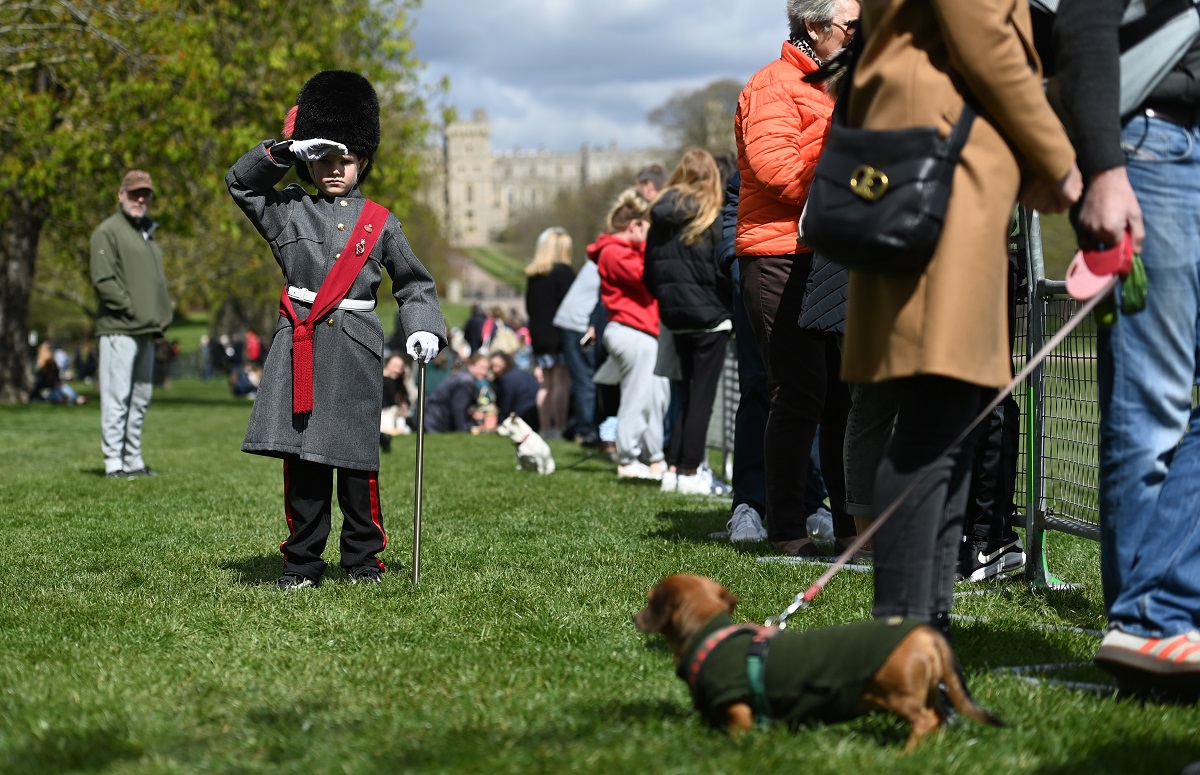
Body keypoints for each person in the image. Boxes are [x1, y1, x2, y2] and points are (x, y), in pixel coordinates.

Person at [840, 2, 1080, 637]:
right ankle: (906, 649)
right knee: (936, 421)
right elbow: (986, 40)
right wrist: (1058, 157)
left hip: (933, 168)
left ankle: (922, 646)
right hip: (939, 175)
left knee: (949, 420)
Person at [225, 69, 446, 590]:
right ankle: (301, 563)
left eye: (344, 158)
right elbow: (240, 182)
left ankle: (363, 561)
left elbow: (415, 284)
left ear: (362, 161)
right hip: (300, 344)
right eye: (323, 157)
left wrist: (424, 327)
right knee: (303, 467)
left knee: (355, 467)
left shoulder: (380, 221)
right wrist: (286, 150)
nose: (332, 168)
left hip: (354, 347)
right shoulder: (288, 209)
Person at [1051, 0, 1200, 693]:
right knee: (1152, 407)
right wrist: (1105, 170)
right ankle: (1148, 627)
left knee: (1155, 408)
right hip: (1156, 149)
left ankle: (1150, 618)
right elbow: (1084, 23)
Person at [733, 0, 859, 555]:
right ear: (814, 26)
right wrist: (853, 166)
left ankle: (853, 526)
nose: (860, 35)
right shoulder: (772, 86)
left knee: (841, 399)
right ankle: (786, 528)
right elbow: (777, 171)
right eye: (851, 26)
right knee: (798, 393)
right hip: (778, 255)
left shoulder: (848, 85)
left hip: (831, 255)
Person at [643, 149, 732, 496]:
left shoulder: (660, 219)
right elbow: (722, 269)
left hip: (675, 316)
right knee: (702, 397)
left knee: (684, 393)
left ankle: (675, 468)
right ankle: (691, 470)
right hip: (710, 316)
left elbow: (649, 273)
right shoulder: (711, 215)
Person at [90, 168, 173, 479]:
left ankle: (133, 460)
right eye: (134, 192)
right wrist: (132, 309)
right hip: (118, 329)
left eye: (145, 194)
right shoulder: (107, 231)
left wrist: (159, 317)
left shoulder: (148, 235)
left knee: (139, 398)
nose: (140, 199)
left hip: (146, 330)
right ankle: (114, 463)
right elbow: (103, 281)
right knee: (117, 398)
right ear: (120, 195)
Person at [590, 188, 669, 480]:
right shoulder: (612, 251)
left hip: (643, 332)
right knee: (637, 396)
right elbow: (646, 275)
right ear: (634, 226)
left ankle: (656, 458)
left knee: (655, 397)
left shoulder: (623, 250)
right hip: (630, 331)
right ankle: (628, 457)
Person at [523, 226, 576, 439]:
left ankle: (545, 428)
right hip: (559, 336)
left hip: (539, 335)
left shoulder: (534, 275)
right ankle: (560, 426)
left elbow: (529, 307)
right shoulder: (565, 273)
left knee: (544, 385)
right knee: (560, 383)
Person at [552, 240, 603, 445]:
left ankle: (582, 426)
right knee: (586, 381)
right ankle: (585, 430)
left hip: (572, 323)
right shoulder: (606, 261)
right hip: (579, 325)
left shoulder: (595, 261)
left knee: (584, 381)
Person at [422, 353, 492, 433]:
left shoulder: (462, 375)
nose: (484, 372)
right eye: (482, 367)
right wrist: (462, 430)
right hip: (436, 420)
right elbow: (458, 408)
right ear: (471, 365)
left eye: (487, 369)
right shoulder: (466, 382)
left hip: (432, 416)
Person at [489, 351, 540, 431]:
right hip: (537, 411)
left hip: (524, 416)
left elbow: (506, 403)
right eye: (492, 366)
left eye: (498, 366)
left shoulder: (506, 379)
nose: (495, 370)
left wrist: (501, 423)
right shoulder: (522, 373)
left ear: (505, 363)